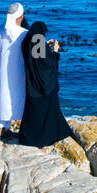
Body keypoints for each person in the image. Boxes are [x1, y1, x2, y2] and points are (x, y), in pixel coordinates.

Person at [19, 20, 74, 148]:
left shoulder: (28, 41)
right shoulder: (38, 41)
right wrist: (55, 51)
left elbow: (36, 57)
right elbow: (47, 64)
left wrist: (44, 45)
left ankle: (29, 138)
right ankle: (49, 137)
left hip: (31, 85)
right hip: (44, 87)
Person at [0, 3, 27, 139]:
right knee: (22, 97)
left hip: (4, 70)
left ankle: (1, 130)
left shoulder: (0, 34)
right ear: (21, 16)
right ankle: (24, 128)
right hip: (20, 70)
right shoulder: (25, 34)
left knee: (4, 97)